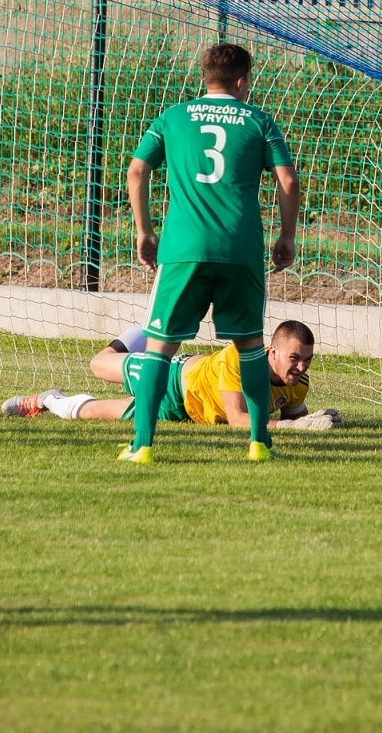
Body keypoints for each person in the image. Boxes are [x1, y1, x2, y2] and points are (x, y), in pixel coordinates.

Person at [121, 42, 301, 463]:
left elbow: (137, 170)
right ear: (241, 81)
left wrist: (144, 231)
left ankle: (142, 446)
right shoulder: (259, 121)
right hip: (241, 249)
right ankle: (259, 443)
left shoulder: (172, 117)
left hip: (184, 248)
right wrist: (286, 236)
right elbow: (289, 181)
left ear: (205, 78)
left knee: (159, 348)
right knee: (251, 347)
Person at [1, 320, 340, 431]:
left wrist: (311, 421)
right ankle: (154, 326)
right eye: (295, 358)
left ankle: (47, 399)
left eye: (307, 360)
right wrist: (293, 427)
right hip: (172, 379)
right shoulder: (241, 361)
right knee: (99, 364)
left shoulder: (299, 384)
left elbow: (294, 416)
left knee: (93, 412)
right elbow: (239, 419)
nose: (301, 367)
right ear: (273, 352)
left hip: (181, 412)